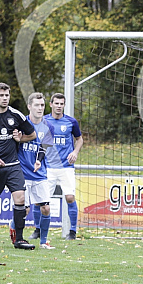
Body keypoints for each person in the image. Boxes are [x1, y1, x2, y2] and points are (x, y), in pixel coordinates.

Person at [0, 82, 37, 250]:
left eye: (7, 95)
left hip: (12, 165)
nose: (5, 98)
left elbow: (32, 134)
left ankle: (19, 239)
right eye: (1, 95)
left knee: (20, 199)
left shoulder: (16, 115)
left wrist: (19, 139)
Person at [31, 93, 83, 241]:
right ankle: (38, 230)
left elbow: (79, 139)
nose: (59, 106)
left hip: (66, 167)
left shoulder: (71, 122)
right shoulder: (44, 120)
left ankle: (72, 232)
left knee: (70, 197)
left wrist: (75, 151)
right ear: (51, 104)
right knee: (39, 200)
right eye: (57, 103)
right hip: (48, 167)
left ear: (64, 105)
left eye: (62, 104)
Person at [8, 93, 56, 250]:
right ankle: (15, 230)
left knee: (46, 208)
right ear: (29, 106)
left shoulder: (49, 126)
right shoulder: (21, 124)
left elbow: (44, 147)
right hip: (22, 173)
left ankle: (44, 241)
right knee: (25, 209)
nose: (40, 108)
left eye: (42, 105)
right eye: (37, 105)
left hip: (40, 173)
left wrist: (38, 161)